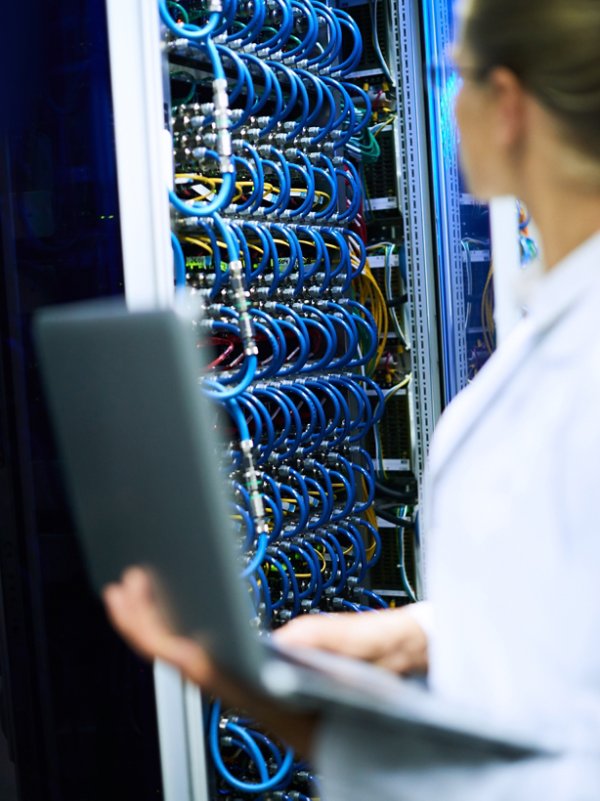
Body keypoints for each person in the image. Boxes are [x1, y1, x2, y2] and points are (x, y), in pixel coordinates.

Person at [104, 0, 600, 796]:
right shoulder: (558, 326)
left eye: (454, 80)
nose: (449, 106)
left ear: (508, 107)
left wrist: (283, 707)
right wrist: (411, 635)